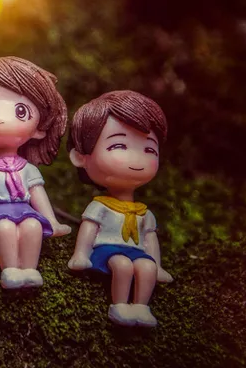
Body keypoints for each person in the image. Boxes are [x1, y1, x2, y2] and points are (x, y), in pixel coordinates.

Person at [0, 57, 72, 289]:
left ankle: (29, 269)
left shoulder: (27, 169)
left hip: (25, 208)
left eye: (21, 111)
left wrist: (51, 220)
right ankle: (9, 269)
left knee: (33, 227)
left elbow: (37, 194)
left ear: (40, 129)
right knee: (5, 228)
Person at [66, 90, 174, 327]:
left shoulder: (144, 213)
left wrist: (158, 265)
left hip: (137, 250)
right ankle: (120, 306)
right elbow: (88, 230)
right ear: (81, 157)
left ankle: (142, 307)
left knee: (146, 266)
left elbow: (149, 239)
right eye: (118, 145)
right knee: (122, 266)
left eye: (149, 149)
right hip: (106, 249)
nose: (136, 158)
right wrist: (81, 254)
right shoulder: (100, 206)